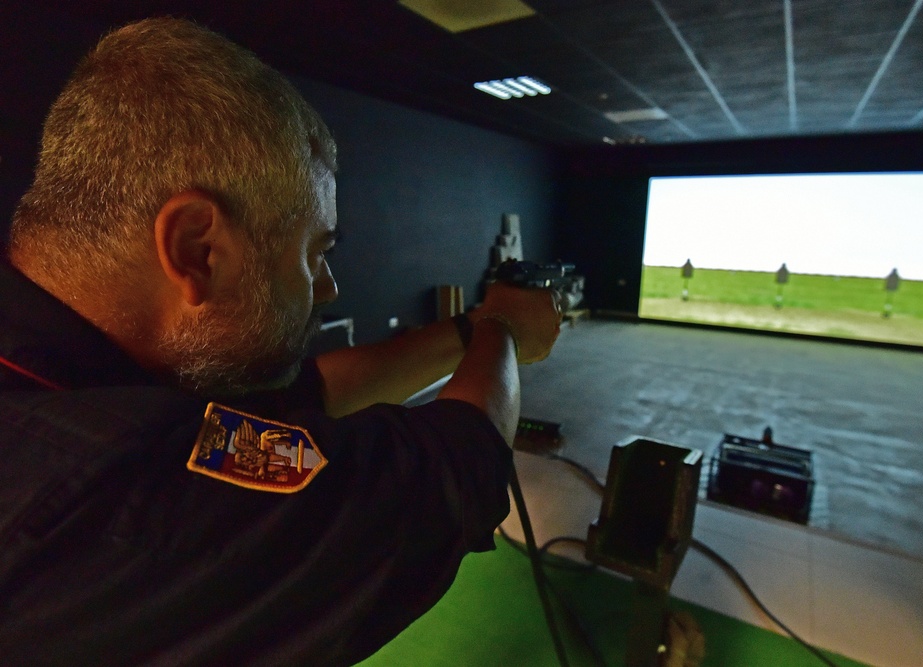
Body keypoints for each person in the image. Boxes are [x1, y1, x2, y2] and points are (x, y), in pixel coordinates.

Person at [0, 17, 561, 666]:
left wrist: (469, 329)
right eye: (313, 252)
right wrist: (503, 330)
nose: (325, 287)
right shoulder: (112, 492)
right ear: (197, 248)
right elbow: (450, 475)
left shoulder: (74, 384)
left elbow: (305, 397)